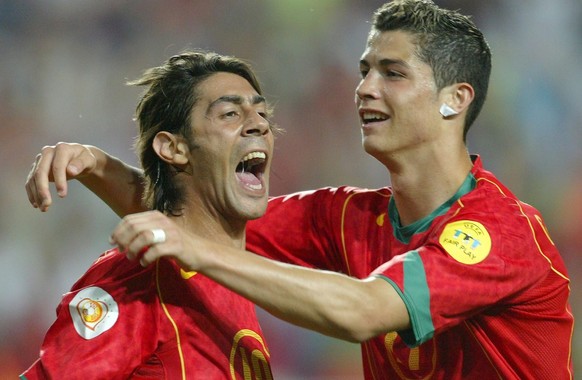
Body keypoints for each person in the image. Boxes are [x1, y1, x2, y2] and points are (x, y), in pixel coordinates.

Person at [25, 1, 575, 379]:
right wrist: (98, 166)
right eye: (363, 70)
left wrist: (191, 246)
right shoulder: (349, 220)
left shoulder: (499, 232)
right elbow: (202, 212)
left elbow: (363, 311)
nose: (364, 88)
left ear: (454, 99)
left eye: (392, 73)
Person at [21, 50, 278, 379]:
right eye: (230, 113)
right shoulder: (140, 280)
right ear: (174, 148)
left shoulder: (232, 284)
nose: (258, 124)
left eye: (261, 113)